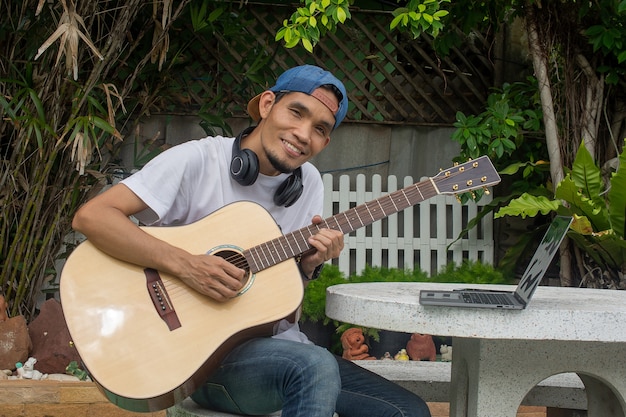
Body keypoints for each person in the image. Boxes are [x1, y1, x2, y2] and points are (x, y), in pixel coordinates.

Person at [72, 65, 431, 417]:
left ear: (326, 141)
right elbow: (93, 216)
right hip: (200, 361)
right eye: (296, 112)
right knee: (313, 366)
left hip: (276, 357)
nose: (303, 134)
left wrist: (307, 266)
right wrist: (185, 264)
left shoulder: (309, 184)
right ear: (266, 105)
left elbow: (277, 305)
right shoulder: (199, 159)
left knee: (408, 410)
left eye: (320, 129)